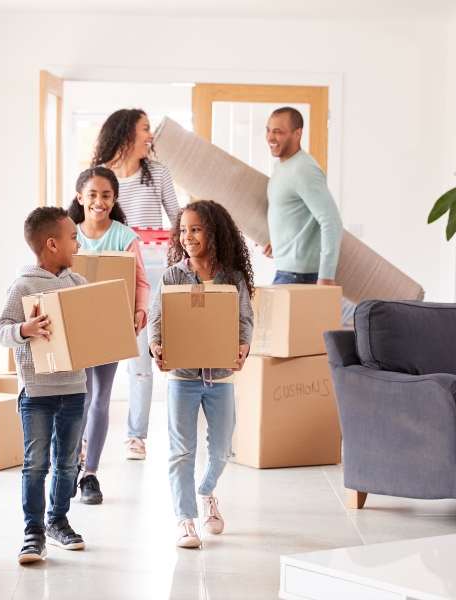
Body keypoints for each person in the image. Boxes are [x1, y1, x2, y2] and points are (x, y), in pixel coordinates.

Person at [147, 200, 254, 548]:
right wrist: (156, 346)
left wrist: (243, 346)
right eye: (183, 230)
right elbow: (157, 319)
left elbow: (245, 321)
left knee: (222, 450)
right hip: (182, 375)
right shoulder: (173, 276)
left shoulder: (232, 278)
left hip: (220, 376)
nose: (187, 237)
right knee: (181, 451)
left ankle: (206, 492)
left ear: (214, 232)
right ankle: (185, 519)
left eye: (195, 229)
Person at [0, 206, 89, 564]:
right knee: (36, 463)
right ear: (52, 244)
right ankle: (33, 531)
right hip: (37, 393)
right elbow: (3, 330)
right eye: (72, 237)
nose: (77, 242)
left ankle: (58, 520)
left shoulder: (77, 283)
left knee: (67, 463)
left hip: (75, 387)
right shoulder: (23, 285)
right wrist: (26, 329)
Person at [92, 108, 181, 460]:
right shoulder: (101, 179)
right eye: (145, 129)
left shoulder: (157, 173)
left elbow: (177, 220)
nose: (151, 136)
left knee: (140, 358)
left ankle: (136, 436)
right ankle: (87, 434)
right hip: (111, 271)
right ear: (126, 133)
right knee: (95, 354)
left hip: (152, 272)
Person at [67, 166, 151, 505]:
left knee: (100, 398)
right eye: (92, 195)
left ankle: (91, 474)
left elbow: (141, 282)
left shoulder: (124, 237)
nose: (99, 202)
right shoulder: (68, 232)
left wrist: (139, 313)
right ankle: (70, 465)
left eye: (106, 196)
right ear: (80, 198)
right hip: (75, 326)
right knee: (79, 399)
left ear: (114, 199)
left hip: (111, 325)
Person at [262, 107, 343, 287]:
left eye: (278, 131)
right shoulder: (281, 167)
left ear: (297, 133)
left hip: (301, 275)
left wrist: (326, 276)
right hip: (288, 270)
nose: (270, 137)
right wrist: (278, 244)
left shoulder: (304, 169)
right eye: (268, 130)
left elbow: (332, 222)